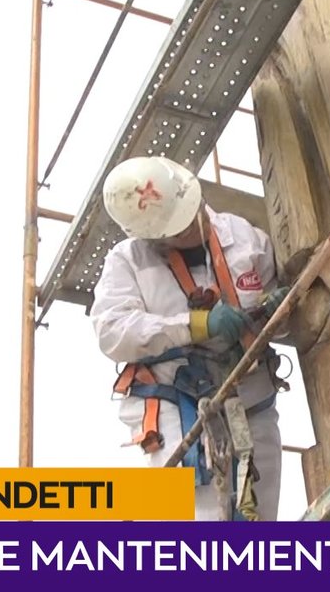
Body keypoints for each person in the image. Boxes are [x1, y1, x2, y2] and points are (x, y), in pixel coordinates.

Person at [90, 155, 292, 520]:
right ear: (154, 237)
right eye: (180, 230)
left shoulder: (244, 238)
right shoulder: (128, 261)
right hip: (178, 403)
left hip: (252, 400)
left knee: (259, 522)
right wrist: (195, 325)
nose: (195, 227)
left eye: (195, 213)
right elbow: (112, 330)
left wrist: (280, 313)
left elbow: (285, 322)